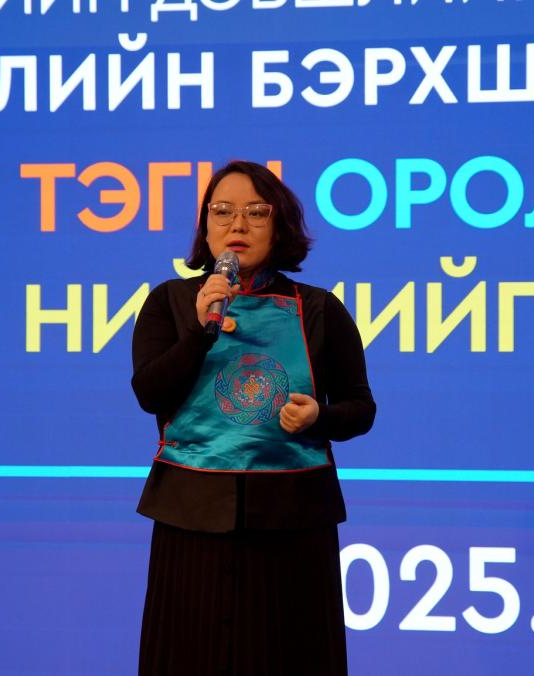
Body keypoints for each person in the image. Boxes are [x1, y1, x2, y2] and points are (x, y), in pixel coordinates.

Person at [130, 160, 376, 675]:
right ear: (205, 228)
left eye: (256, 212)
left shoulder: (319, 308)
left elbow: (360, 409)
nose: (237, 225)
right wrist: (199, 330)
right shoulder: (171, 301)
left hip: (293, 521)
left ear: (279, 225)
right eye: (222, 211)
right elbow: (150, 393)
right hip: (190, 518)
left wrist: (319, 417)